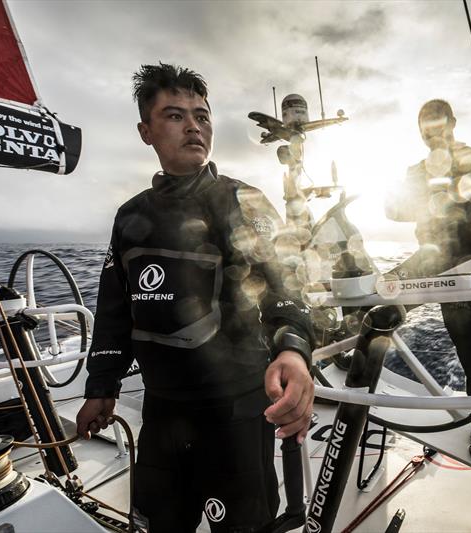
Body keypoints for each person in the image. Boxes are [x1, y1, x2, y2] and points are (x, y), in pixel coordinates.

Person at [75, 63, 315, 533]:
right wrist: (102, 385)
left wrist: (293, 349)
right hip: (162, 408)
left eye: (202, 116)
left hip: (238, 408)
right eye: (174, 115)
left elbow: (286, 286)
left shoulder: (245, 202)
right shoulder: (130, 216)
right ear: (146, 131)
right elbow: (115, 307)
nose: (193, 126)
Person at [385, 99, 471, 465]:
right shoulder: (415, 171)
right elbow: (392, 209)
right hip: (427, 258)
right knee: (378, 305)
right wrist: (423, 201)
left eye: (438, 126)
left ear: (452, 123)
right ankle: (357, 382)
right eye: (425, 129)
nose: (432, 134)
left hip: (467, 262)